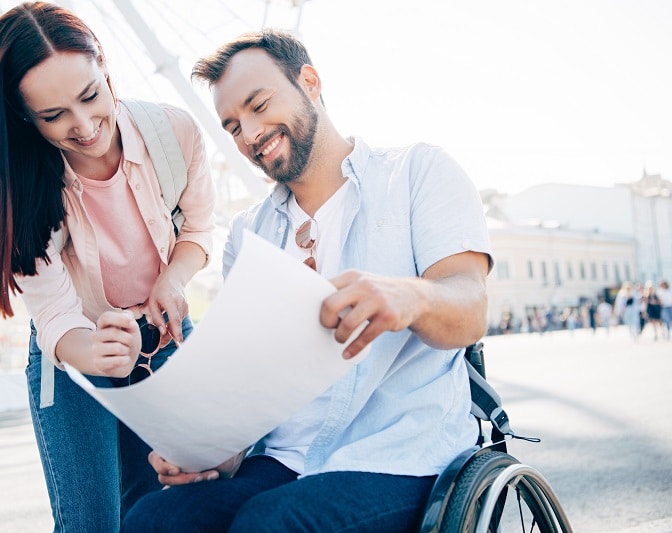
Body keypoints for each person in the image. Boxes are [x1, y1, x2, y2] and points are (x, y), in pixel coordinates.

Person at [122, 29, 491, 532]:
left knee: (273, 523)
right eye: (232, 126)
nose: (249, 134)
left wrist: (409, 297)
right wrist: (209, 452)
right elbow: (252, 381)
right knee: (154, 519)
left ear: (311, 82)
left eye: (258, 105)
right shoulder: (248, 234)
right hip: (282, 461)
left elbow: (470, 304)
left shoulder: (416, 173)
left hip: (399, 455)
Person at [0, 2, 216, 530]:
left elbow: (199, 230)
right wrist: (101, 351)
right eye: (53, 116)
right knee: (91, 520)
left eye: (90, 96)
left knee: (172, 510)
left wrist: (171, 280)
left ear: (104, 67)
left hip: (166, 334)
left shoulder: (174, 134)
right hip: (74, 356)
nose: (84, 126)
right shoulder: (18, 190)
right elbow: (57, 317)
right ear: (23, 116)